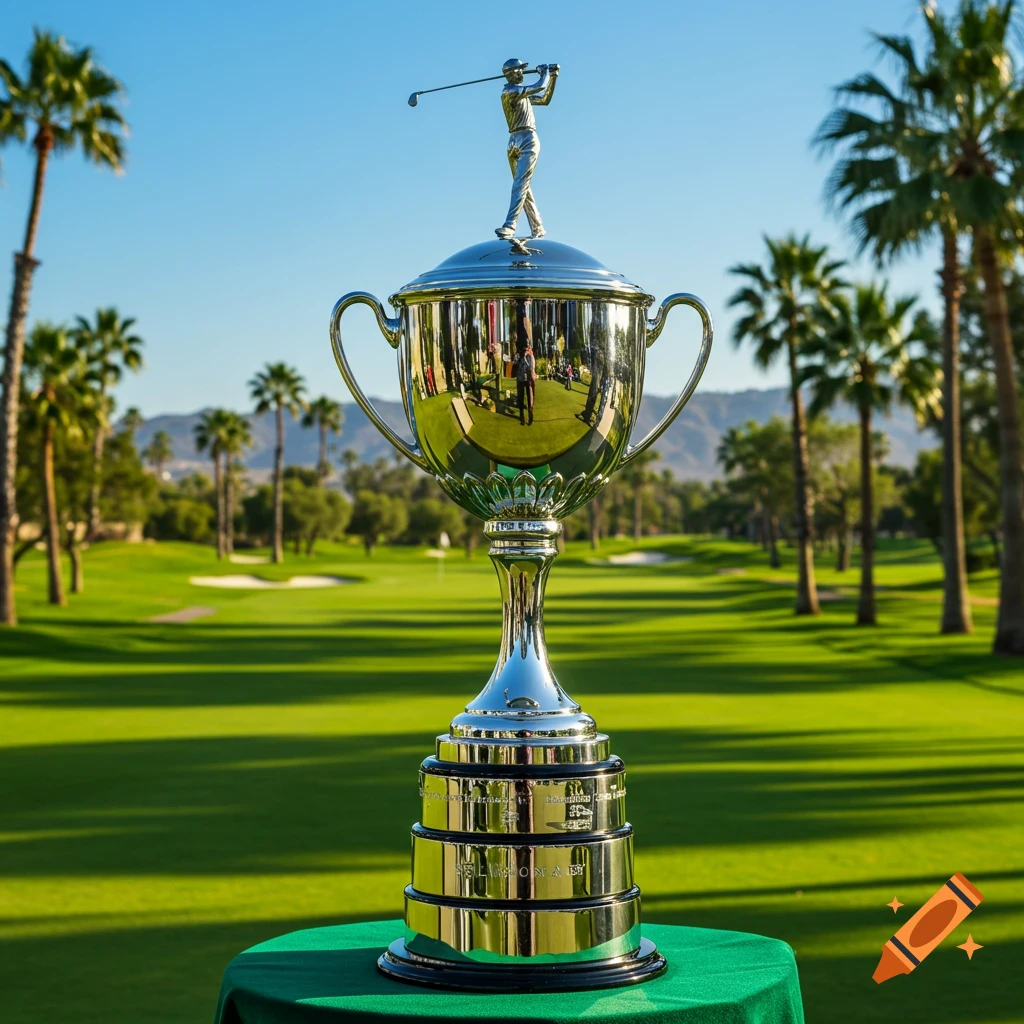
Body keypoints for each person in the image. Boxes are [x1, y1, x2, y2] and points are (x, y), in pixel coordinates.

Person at [495, 59, 559, 241]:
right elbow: (539, 87)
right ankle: (537, 227)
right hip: (514, 141)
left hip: (528, 139)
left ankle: (510, 226)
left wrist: (552, 77)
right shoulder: (510, 91)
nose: (522, 73)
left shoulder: (521, 95)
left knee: (520, 185)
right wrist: (544, 72)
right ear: (512, 73)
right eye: (519, 70)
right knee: (523, 187)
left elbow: (544, 99)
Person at [516, 343, 536, 425]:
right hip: (521, 379)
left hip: (527, 380)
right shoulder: (519, 356)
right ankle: (522, 418)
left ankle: (530, 415)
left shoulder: (529, 356)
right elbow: (515, 364)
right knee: (521, 399)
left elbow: (531, 367)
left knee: (529, 398)